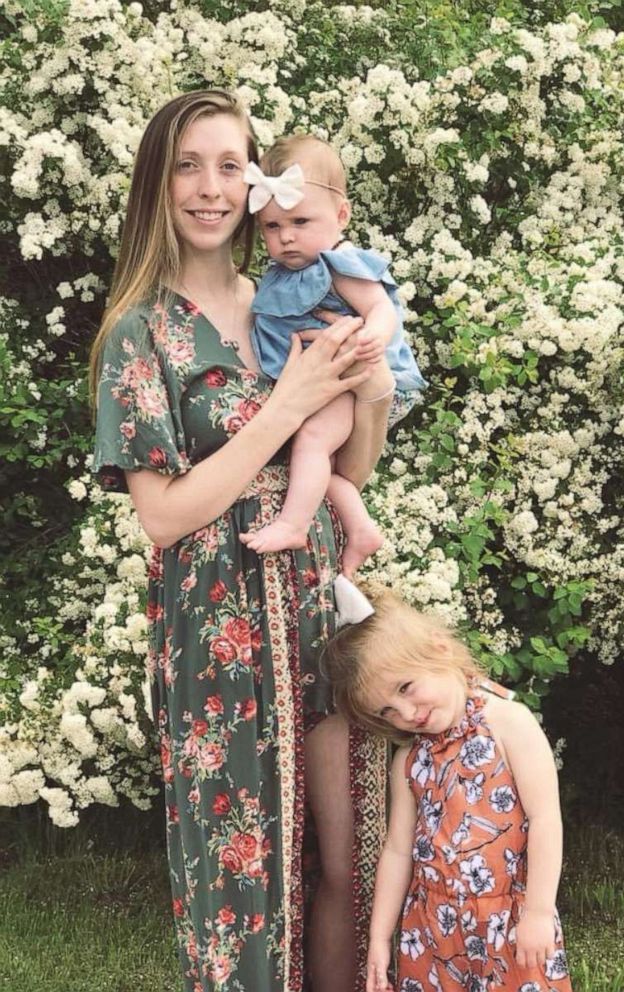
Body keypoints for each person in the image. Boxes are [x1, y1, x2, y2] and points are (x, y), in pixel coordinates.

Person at [90, 90, 388, 992]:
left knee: (346, 860)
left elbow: (356, 469)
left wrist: (367, 387)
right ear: (158, 183)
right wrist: (287, 407)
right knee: (241, 882)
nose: (211, 188)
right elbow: (165, 514)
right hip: (214, 629)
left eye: (230, 165)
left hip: (314, 608)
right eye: (188, 165)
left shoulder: (288, 297)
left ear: (258, 182)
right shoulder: (137, 333)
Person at [324, 583, 573, 992]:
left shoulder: (509, 723)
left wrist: (539, 913)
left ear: (438, 649)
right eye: (386, 710)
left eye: (405, 688)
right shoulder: (409, 760)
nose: (406, 713)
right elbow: (398, 848)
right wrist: (379, 938)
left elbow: (545, 819)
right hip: (433, 927)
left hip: (509, 922)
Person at [240, 135, 426, 575]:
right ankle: (361, 529)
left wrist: (373, 340)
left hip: (356, 376)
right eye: (271, 227)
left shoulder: (337, 264)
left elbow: (380, 308)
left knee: (311, 443)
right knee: (318, 463)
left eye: (301, 221)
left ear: (341, 215)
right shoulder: (279, 274)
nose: (286, 237)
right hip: (328, 383)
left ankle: (292, 523)